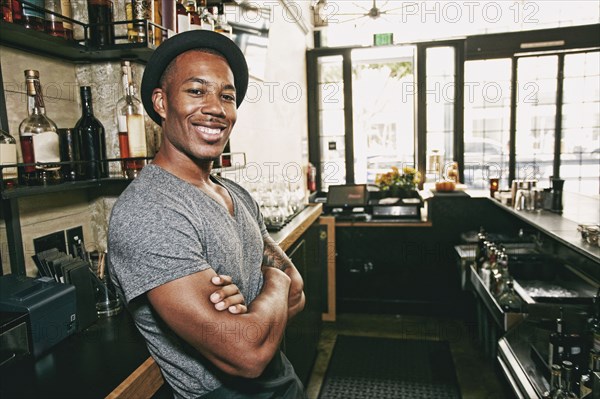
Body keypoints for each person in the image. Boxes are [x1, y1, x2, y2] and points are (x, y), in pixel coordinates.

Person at [107, 30, 306, 398]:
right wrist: (273, 282)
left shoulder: (235, 193)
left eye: (226, 96)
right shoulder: (149, 211)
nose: (215, 108)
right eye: (196, 91)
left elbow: (299, 294)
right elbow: (246, 352)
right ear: (162, 103)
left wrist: (257, 306)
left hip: (283, 381)